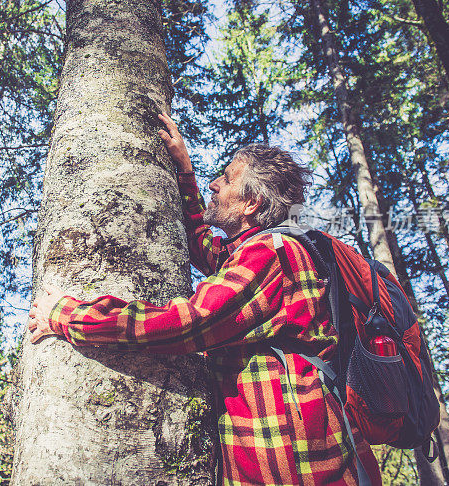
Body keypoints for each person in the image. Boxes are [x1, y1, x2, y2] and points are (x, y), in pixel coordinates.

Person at [28, 113, 381, 486]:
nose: (215, 184)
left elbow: (186, 323)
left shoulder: (268, 255)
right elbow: (199, 240)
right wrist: (184, 173)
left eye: (227, 179)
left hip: (294, 463)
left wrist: (71, 316)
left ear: (251, 204)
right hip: (293, 455)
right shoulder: (259, 253)